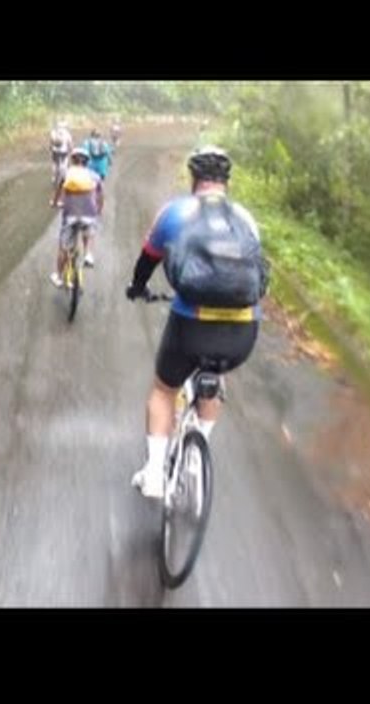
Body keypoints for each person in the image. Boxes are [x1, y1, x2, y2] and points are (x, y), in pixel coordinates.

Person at [125, 145, 267, 498]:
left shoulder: (175, 212)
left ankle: (156, 473)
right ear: (226, 182)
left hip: (191, 324)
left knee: (164, 390)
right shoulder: (246, 218)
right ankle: (197, 452)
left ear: (193, 178)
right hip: (242, 331)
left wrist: (138, 288)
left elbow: (149, 258)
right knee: (214, 376)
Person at [50, 147, 103, 284]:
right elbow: (101, 196)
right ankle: (88, 254)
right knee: (89, 231)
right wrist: (98, 210)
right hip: (89, 214)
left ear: (73, 160)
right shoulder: (94, 176)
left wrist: (55, 203)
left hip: (70, 215)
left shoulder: (67, 174)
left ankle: (58, 277)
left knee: (63, 247)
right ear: (87, 162)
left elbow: (58, 191)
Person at [49, 119, 75, 185]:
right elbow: (70, 143)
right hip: (64, 152)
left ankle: (54, 177)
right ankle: (63, 178)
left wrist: (51, 150)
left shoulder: (53, 132)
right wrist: (72, 151)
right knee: (64, 165)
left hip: (55, 152)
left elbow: (51, 143)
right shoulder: (67, 133)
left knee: (55, 164)